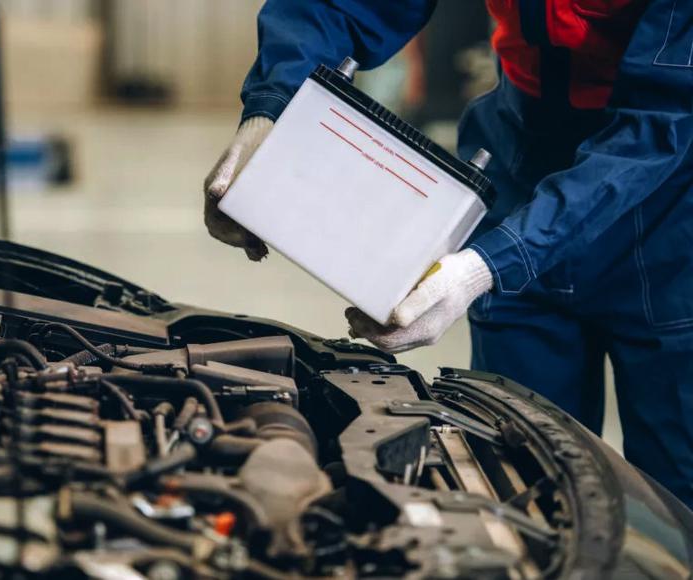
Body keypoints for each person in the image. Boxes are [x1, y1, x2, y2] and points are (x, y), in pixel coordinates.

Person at [203, 0, 693, 508]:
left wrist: (486, 265)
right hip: (519, 159)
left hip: (666, 208)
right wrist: (270, 109)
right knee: (525, 481)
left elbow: (661, 124)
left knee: (677, 496)